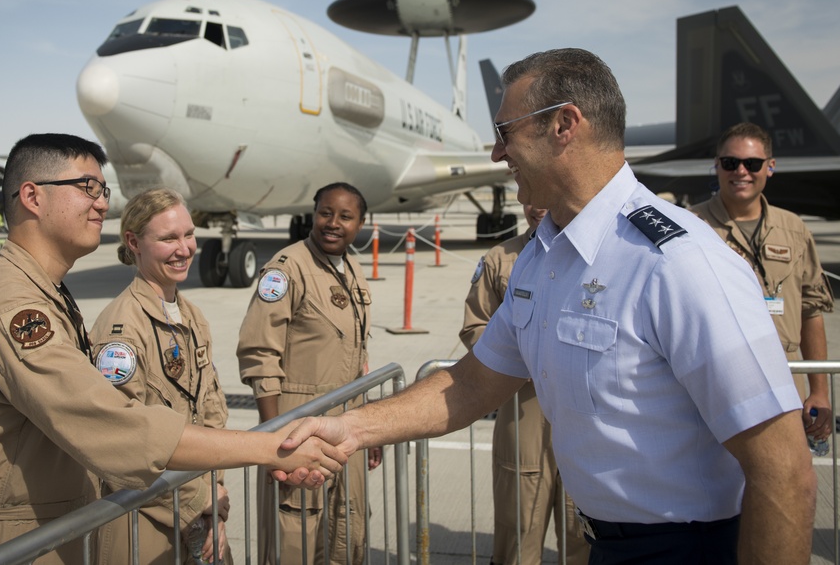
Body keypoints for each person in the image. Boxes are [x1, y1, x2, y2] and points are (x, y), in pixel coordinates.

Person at [279, 49, 816, 564]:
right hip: (605, 544)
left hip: (688, 548)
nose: (496, 154)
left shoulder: (678, 263)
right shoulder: (543, 258)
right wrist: (352, 428)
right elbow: (470, 384)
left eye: (504, 133)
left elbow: (783, 471)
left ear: (565, 124)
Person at [0, 133, 344, 565]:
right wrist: (270, 448)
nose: (102, 203)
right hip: (13, 542)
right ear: (32, 196)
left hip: (54, 529)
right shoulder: (15, 309)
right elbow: (114, 427)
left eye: (103, 190)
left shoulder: (46, 293)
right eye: (88, 187)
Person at [90, 187, 235, 565]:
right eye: (168, 238)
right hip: (144, 523)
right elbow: (121, 445)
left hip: (198, 513)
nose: (184, 248)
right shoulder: (120, 332)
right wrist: (200, 502)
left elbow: (210, 415)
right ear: (134, 242)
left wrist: (214, 497)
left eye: (188, 234)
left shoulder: (191, 317)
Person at [237, 182, 376, 565]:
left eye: (345, 216)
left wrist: (371, 424)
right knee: (295, 537)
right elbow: (259, 353)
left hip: (347, 424)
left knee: (345, 531)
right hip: (297, 424)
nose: (333, 223)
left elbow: (357, 352)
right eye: (325, 213)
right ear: (312, 216)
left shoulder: (351, 268)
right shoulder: (286, 269)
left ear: (361, 223)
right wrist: (273, 439)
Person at [460, 204, 588, 565]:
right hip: (523, 407)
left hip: (579, 405)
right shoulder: (500, 258)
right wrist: (520, 359)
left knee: (583, 526)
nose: (538, 206)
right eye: (531, 197)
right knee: (518, 521)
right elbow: (475, 326)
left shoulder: (596, 254)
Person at [692, 122, 834, 446]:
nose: (740, 171)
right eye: (730, 163)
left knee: (787, 484)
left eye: (752, 164)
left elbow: (812, 310)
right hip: (720, 383)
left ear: (770, 167)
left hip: (786, 381)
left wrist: (820, 392)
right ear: (717, 166)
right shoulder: (691, 226)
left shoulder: (793, 229)